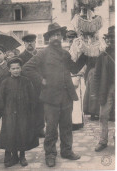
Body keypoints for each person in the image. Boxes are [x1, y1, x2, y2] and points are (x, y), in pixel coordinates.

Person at [22, 23, 87, 167]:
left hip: (67, 96)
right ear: (48, 38)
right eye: (53, 36)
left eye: (58, 35)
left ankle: (67, 151)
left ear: (61, 36)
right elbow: (27, 68)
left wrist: (87, 54)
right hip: (50, 98)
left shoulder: (65, 53)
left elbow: (74, 67)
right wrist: (41, 80)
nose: (56, 38)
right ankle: (50, 154)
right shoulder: (43, 53)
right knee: (51, 128)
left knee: (66, 126)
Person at [0, 56, 39, 167]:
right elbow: (1, 98)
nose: (16, 70)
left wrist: (31, 111)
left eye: (17, 68)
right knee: (11, 134)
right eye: (13, 68)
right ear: (9, 70)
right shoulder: (5, 82)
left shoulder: (26, 81)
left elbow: (32, 98)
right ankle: (14, 156)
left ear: (21, 68)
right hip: (10, 113)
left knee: (22, 133)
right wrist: (4, 112)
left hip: (23, 113)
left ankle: (22, 156)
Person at [91, 26, 115, 152]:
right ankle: (103, 140)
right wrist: (95, 92)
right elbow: (97, 75)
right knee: (103, 115)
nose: (111, 40)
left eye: (114, 37)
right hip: (106, 89)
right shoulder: (103, 55)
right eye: (109, 37)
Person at [19, 34, 45, 138]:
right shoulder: (20, 57)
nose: (30, 43)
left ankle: (40, 129)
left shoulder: (40, 55)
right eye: (27, 42)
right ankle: (29, 130)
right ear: (24, 44)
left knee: (40, 108)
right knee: (28, 108)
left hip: (40, 86)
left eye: (32, 41)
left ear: (35, 42)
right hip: (27, 86)